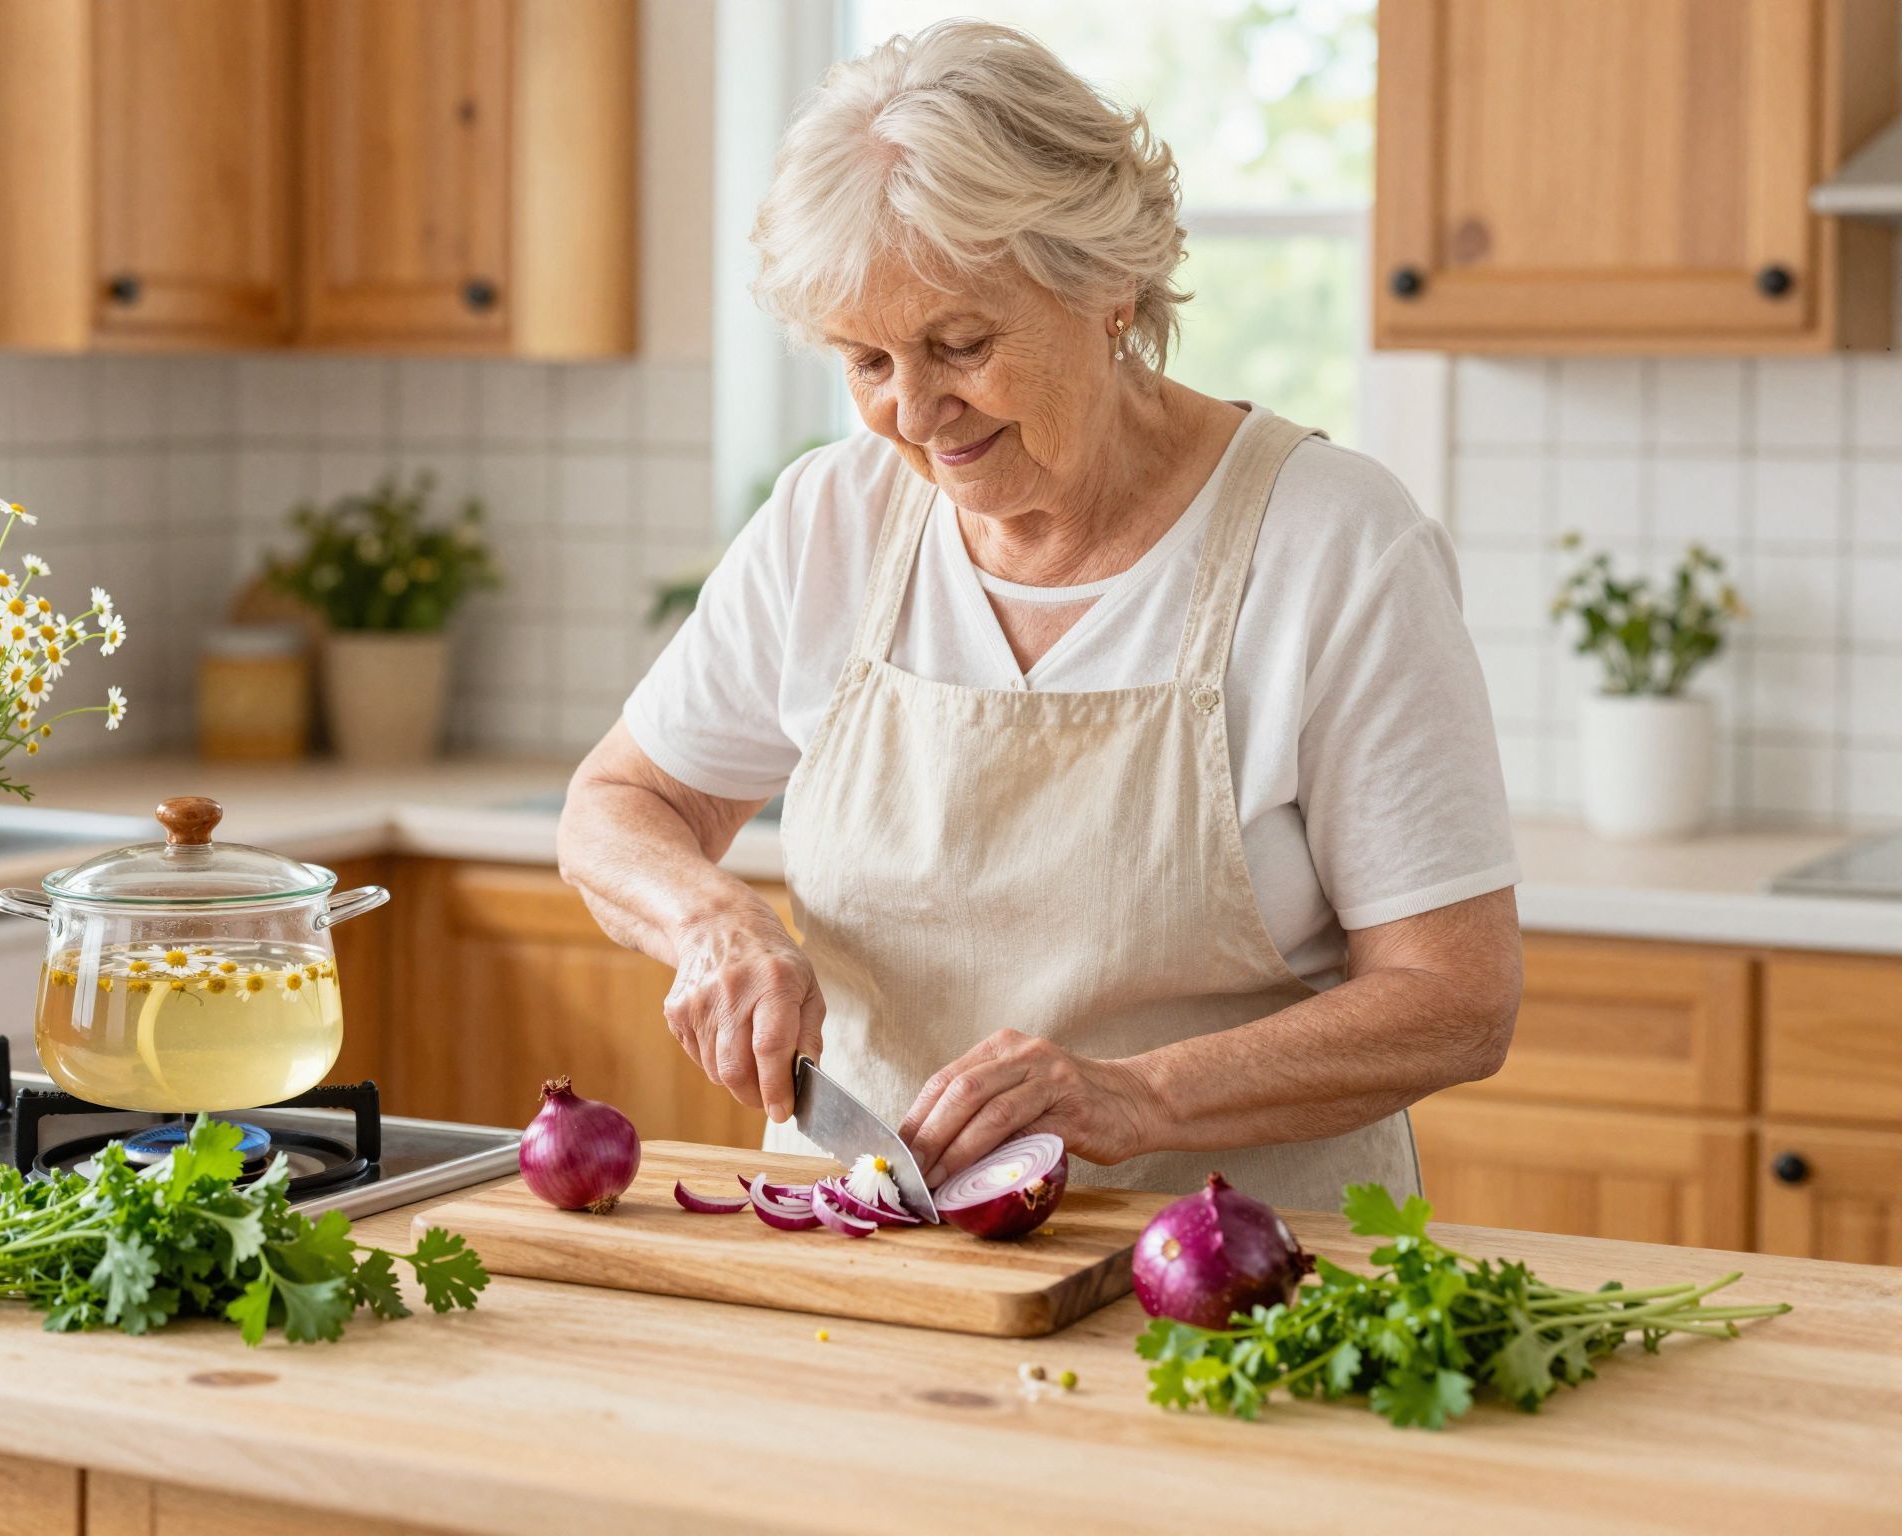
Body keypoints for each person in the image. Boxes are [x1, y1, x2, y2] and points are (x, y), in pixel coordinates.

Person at [557, 21, 1521, 1208]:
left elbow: (1454, 1002)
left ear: (1105, 285)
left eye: (958, 344)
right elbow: (616, 806)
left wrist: (1137, 1096)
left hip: (1243, 1275)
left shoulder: (1334, 544)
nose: (912, 411)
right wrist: (708, 918)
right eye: (864, 362)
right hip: (881, 1256)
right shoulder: (831, 518)